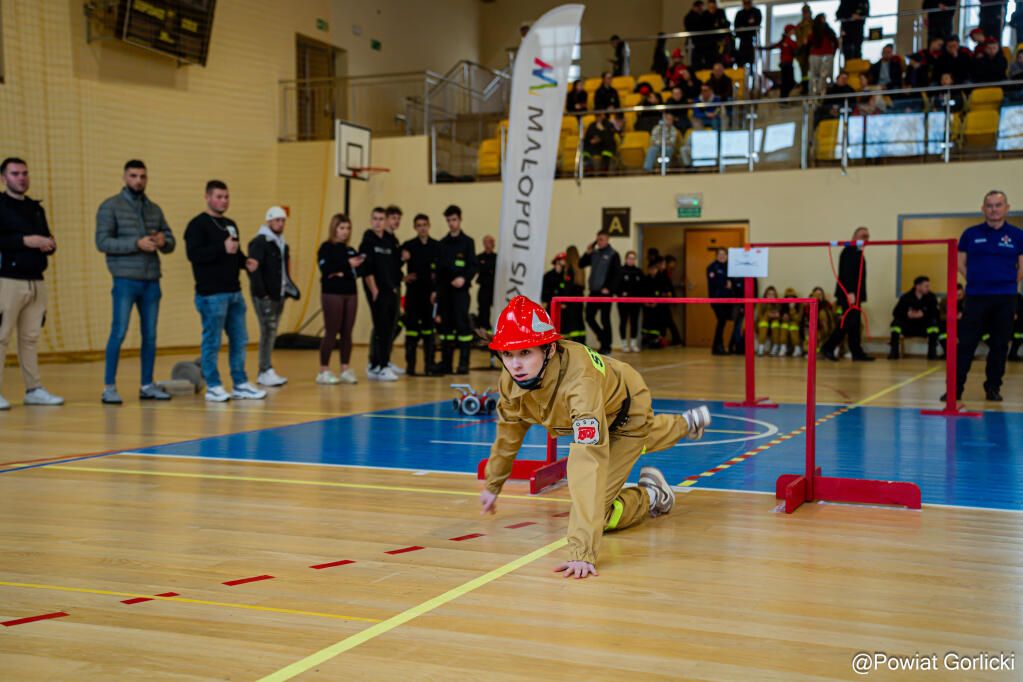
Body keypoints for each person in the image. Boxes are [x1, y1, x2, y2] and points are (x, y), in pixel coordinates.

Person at [480, 296, 712, 579]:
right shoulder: (511, 381)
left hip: (627, 413)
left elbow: (587, 461)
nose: (515, 364)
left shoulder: (580, 382)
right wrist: (493, 483)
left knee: (598, 512)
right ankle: (686, 424)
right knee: (634, 443)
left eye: (525, 352)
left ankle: (653, 496)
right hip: (606, 407)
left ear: (549, 348)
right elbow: (509, 431)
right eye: (507, 354)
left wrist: (581, 552)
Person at [95, 159, 175, 405]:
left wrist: (163, 241)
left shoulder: (154, 209)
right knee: (118, 332)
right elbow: (102, 242)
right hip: (125, 280)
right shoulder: (110, 206)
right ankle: (109, 387)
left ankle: (147, 385)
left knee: (150, 335)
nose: (138, 180)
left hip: (151, 280)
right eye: (133, 176)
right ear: (124, 177)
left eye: (142, 176)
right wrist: (135, 244)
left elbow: (170, 241)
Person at [184, 180, 266, 402]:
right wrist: (221, 247)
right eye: (219, 197)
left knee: (240, 339)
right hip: (211, 294)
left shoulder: (230, 224)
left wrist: (245, 262)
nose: (223, 201)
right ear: (207, 197)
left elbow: (234, 252)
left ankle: (240, 383)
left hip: (234, 293)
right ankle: (213, 385)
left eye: (226, 197)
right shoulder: (197, 225)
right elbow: (194, 255)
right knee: (212, 341)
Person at [947, 190, 1023, 402]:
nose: (994, 209)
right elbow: (960, 263)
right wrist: (976, 280)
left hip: (1005, 298)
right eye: (989, 205)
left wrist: (1006, 282)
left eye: (998, 205)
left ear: (1006, 208)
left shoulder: (1018, 235)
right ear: (983, 209)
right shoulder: (970, 234)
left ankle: (993, 388)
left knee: (999, 345)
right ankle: (955, 388)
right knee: (966, 344)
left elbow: (1022, 267)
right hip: (976, 297)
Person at [0, 157, 63, 410]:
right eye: (15, 173)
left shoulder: (36, 208)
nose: (21, 178)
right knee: (1, 336)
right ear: (4, 178)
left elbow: (45, 238)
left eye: (25, 173)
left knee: (30, 338)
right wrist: (25, 241)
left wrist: (49, 244)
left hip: (36, 281)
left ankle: (34, 389)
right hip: (7, 281)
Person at [247, 206, 298, 388]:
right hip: (265, 296)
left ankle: (267, 369)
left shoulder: (282, 243)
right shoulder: (259, 242)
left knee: (272, 331)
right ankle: (264, 370)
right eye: (277, 220)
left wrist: (289, 289)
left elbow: (283, 271)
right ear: (269, 221)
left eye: (283, 220)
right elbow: (253, 270)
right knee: (267, 331)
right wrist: (263, 294)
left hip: (279, 294)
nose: (280, 223)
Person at [316, 213, 363, 385]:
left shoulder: (350, 250)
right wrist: (346, 266)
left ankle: (345, 369)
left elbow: (359, 271)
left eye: (348, 228)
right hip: (332, 293)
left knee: (347, 332)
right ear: (334, 228)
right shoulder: (326, 248)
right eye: (341, 228)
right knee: (331, 330)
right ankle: (324, 370)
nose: (345, 231)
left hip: (350, 292)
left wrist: (343, 271)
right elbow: (326, 270)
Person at [359, 207, 402, 381]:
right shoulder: (368, 240)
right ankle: (380, 366)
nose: (378, 222)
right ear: (371, 220)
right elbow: (366, 268)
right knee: (381, 326)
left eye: (381, 219)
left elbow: (394, 266)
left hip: (390, 289)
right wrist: (374, 289)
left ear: (385, 221)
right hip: (377, 291)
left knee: (390, 326)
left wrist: (394, 286)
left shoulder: (389, 241)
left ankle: (379, 364)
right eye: (375, 219)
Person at [820, 226, 874, 362]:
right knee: (848, 322)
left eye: (867, 237)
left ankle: (856, 352)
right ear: (854, 237)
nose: (866, 239)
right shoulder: (850, 251)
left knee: (854, 324)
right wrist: (850, 293)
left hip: (854, 294)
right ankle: (828, 347)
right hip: (849, 294)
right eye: (863, 236)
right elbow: (847, 274)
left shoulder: (857, 251)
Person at [436, 205, 478, 375]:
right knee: (446, 329)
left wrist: (464, 278)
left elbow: (473, 265)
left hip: (461, 292)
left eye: (454, 220)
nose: (451, 223)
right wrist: (441, 288)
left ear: (460, 219)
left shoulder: (468, 242)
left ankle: (463, 364)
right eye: (448, 220)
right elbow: (439, 269)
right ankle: (446, 363)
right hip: (446, 292)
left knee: (462, 327)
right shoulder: (442, 244)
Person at [401, 213, 443, 376]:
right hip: (413, 295)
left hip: (429, 296)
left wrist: (436, 292)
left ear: (429, 226)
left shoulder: (436, 246)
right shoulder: (408, 245)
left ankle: (429, 366)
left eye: (425, 224)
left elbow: (440, 272)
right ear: (415, 227)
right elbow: (392, 263)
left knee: (428, 332)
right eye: (419, 225)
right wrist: (403, 277)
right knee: (411, 331)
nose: (422, 228)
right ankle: (410, 366)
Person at [580, 231, 621, 355]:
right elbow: (581, 264)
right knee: (589, 317)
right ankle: (603, 338)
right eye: (598, 239)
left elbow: (617, 274)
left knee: (605, 319)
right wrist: (587, 252)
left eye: (602, 239)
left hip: (605, 293)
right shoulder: (594, 253)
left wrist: (609, 288)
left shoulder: (613, 254)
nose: (599, 242)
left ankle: (606, 346)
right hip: (594, 292)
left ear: (608, 239)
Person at [888, 276, 941, 360]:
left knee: (933, 324)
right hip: (909, 327)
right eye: (926, 286)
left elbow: (936, 313)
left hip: (923, 327)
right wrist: (907, 314)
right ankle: (894, 352)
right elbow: (895, 312)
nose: (928, 288)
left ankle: (932, 353)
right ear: (918, 286)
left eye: (928, 286)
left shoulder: (931, 297)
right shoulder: (906, 297)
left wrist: (923, 314)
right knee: (895, 324)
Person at [614, 250, 643, 352]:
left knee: (634, 322)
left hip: (635, 302)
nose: (631, 260)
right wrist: (621, 293)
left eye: (633, 258)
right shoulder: (620, 271)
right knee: (623, 322)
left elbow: (643, 287)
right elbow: (615, 287)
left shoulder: (639, 272)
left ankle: (633, 344)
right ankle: (624, 344)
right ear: (626, 259)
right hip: (623, 302)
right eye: (629, 258)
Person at [707, 248, 733, 355]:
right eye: (720, 254)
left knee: (722, 322)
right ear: (716, 255)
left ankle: (717, 346)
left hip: (728, 299)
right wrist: (725, 283)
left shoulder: (730, 267)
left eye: (724, 254)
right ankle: (717, 347)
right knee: (721, 321)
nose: (722, 256)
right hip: (717, 299)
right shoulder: (712, 267)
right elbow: (713, 282)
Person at [561, 247, 588, 342]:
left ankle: (574, 344)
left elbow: (568, 286)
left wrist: (564, 300)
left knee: (572, 324)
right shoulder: (581, 268)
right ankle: (582, 343)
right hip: (579, 299)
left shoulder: (570, 269)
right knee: (579, 322)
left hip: (571, 300)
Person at [808, 14, 840, 95]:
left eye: (824, 18)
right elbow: (808, 43)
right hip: (816, 55)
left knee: (824, 76)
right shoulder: (813, 30)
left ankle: (822, 95)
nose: (823, 20)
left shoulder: (828, 30)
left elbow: (836, 42)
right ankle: (814, 95)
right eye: (822, 18)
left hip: (825, 55)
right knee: (815, 76)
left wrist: (832, 53)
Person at [764, 24, 799, 96]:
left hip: (787, 64)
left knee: (787, 83)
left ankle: (783, 98)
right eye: (793, 30)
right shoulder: (787, 41)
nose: (794, 31)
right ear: (789, 31)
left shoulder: (786, 41)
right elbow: (795, 52)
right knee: (788, 83)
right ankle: (783, 98)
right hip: (786, 65)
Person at [803, 286, 836, 355]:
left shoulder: (827, 304)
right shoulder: (809, 303)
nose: (819, 296)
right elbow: (807, 316)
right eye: (817, 294)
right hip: (813, 326)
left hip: (826, 327)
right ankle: (812, 351)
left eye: (820, 294)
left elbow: (832, 315)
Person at [476, 234, 497, 332]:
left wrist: (487, 269)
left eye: (490, 242)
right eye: (486, 242)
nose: (488, 244)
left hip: (495, 288)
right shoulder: (479, 257)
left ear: (493, 244)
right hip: (484, 287)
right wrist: (489, 270)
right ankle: (484, 332)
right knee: (483, 310)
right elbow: (479, 269)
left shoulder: (497, 258)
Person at [734, 0, 763, 66]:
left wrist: (744, 27)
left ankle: (752, 71)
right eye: (745, 3)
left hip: (753, 39)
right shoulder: (739, 13)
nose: (746, 4)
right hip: (743, 40)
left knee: (753, 59)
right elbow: (737, 26)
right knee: (741, 59)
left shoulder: (756, 11)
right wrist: (748, 25)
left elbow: (757, 24)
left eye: (748, 2)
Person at [755, 285, 782, 356]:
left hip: (773, 325)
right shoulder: (761, 303)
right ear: (765, 295)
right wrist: (768, 314)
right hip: (763, 325)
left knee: (775, 323)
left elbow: (780, 317)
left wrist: (776, 316)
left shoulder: (778, 304)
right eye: (769, 294)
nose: (771, 296)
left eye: (773, 294)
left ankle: (775, 348)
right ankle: (761, 348)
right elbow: (759, 317)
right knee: (764, 323)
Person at [778, 287, 805, 357]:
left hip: (797, 324)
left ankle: (797, 348)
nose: (790, 298)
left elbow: (798, 319)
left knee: (793, 327)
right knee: (784, 326)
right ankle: (783, 347)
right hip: (786, 323)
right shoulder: (783, 305)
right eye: (788, 296)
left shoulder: (799, 304)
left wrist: (792, 309)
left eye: (792, 296)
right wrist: (783, 317)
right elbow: (780, 316)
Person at [795, 5, 815, 93]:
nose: (805, 14)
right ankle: (805, 88)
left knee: (814, 70)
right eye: (804, 12)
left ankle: (813, 88)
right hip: (802, 51)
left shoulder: (814, 24)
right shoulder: (799, 26)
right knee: (804, 71)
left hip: (812, 50)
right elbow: (798, 38)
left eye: (807, 12)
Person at [1008, 293, 1023, 361]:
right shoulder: (1016, 297)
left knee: (1018, 338)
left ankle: (1013, 354)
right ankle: (1012, 355)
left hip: (1018, 325)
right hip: (1015, 325)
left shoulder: (1018, 297)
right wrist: (1014, 312)